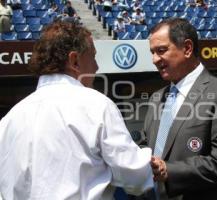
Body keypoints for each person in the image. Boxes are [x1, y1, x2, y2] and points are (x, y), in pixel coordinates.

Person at [0, 21, 153, 200]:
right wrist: (149, 159)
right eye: (93, 57)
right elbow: (134, 177)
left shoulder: (9, 119)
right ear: (74, 60)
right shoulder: (96, 104)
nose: (96, 67)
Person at [144, 18, 217, 200]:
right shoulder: (156, 98)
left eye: (161, 51)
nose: (154, 59)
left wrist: (169, 170)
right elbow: (148, 146)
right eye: (152, 53)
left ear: (187, 48)